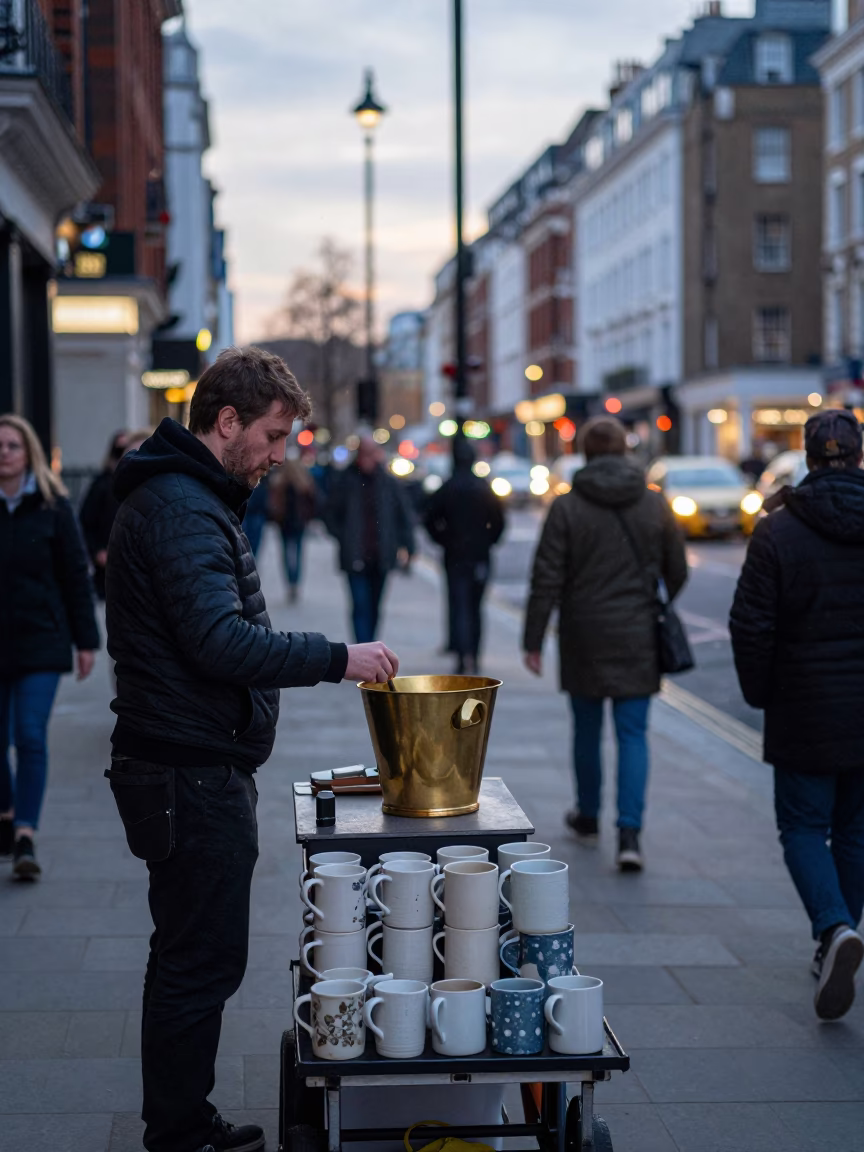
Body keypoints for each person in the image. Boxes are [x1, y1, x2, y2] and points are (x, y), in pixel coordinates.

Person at [105, 346, 398, 1152]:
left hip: (188, 760)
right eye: (271, 436)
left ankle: (180, 1120)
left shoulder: (188, 498)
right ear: (225, 421)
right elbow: (219, 642)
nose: (278, 456)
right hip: (187, 768)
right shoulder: (181, 506)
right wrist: (339, 658)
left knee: (190, 956)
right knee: (200, 962)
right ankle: (179, 1133)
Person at [730, 408, 864, 1022]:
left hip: (804, 705)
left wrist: (762, 694)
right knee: (857, 830)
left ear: (809, 459)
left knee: (805, 827)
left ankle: (834, 928)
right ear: (858, 457)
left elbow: (750, 624)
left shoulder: (777, 530)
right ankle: (835, 938)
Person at [522, 416, 687, 871]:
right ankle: (630, 833)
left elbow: (546, 577)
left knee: (587, 729)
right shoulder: (655, 504)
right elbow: (678, 569)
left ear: (588, 455)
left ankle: (589, 816)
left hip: (584, 633)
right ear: (625, 451)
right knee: (633, 733)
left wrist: (533, 639)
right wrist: (655, 601)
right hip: (638, 633)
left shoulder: (567, 506)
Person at [0, 414, 99, 877]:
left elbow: (75, 578)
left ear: (29, 453)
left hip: (41, 639)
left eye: (13, 445)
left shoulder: (53, 507)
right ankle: (6, 809)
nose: (4, 453)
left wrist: (86, 641)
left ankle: (24, 834)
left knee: (30, 736)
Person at [424, 438, 505, 673]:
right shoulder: (483, 488)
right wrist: (488, 541)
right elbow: (499, 522)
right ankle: (474, 655)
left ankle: (461, 655)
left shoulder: (448, 487)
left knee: (459, 603)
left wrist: (443, 540)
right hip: (479, 555)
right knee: (475, 607)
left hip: (455, 554)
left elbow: (429, 518)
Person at [324, 435, 415, 642]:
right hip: (355, 555)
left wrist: (408, 547)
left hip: (381, 556)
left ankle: (370, 646)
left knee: (374, 606)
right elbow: (330, 513)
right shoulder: (346, 481)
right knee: (360, 605)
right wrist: (343, 536)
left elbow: (403, 517)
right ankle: (363, 648)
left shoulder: (388, 483)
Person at [80, 429, 150, 597]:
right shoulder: (103, 485)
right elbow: (85, 523)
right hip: (110, 580)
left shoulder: (165, 494)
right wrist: (97, 552)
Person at [267, 451, 318, 602]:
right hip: (296, 523)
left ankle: (291, 582)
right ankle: (294, 582)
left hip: (286, 523)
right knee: (297, 553)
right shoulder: (303, 483)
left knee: (287, 553)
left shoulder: (280, 482)